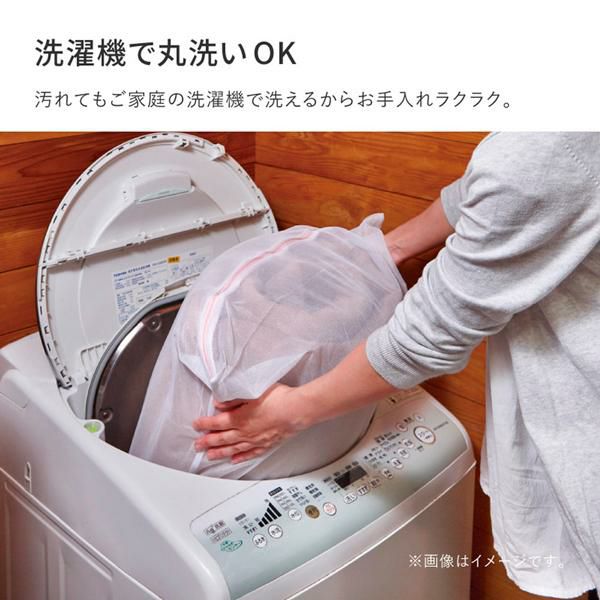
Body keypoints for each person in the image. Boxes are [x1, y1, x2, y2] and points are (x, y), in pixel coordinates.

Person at [193, 132, 600, 598]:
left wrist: (288, 415)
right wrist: (389, 250)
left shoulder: (546, 143)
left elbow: (428, 334)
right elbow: (489, 191)